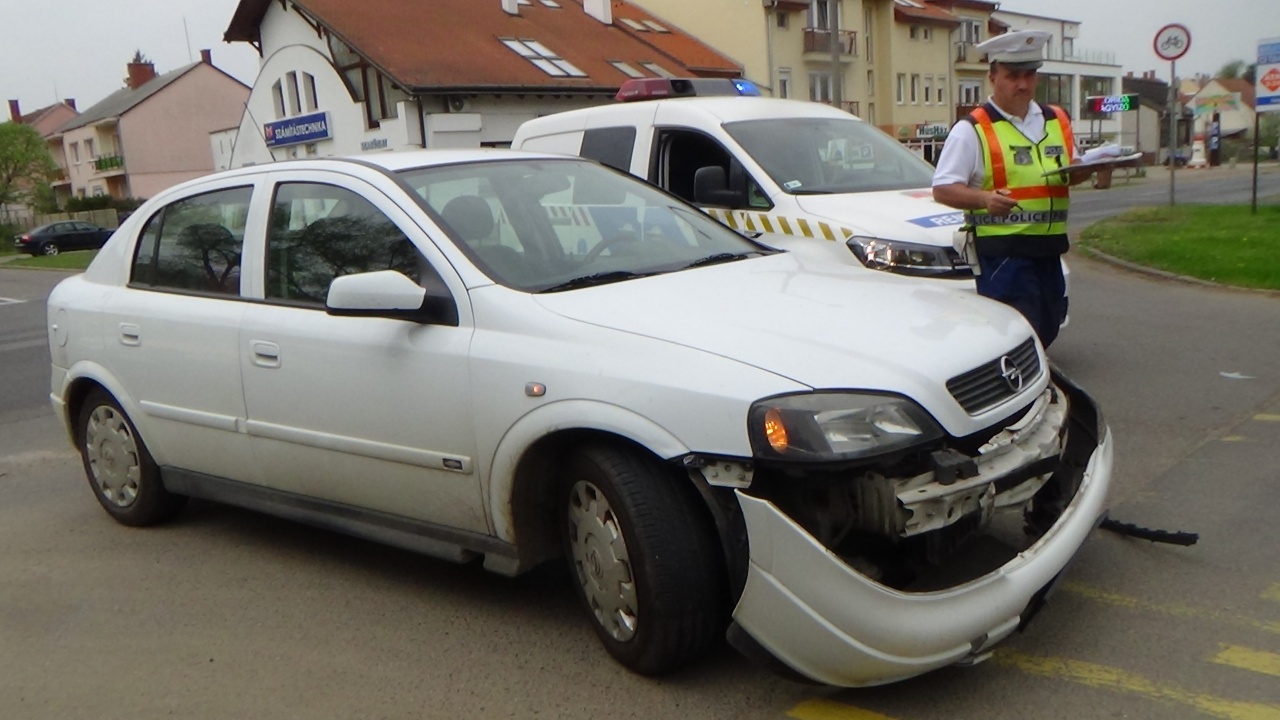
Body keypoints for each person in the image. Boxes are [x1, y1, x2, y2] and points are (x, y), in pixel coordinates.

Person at [932, 29, 1114, 348]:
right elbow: (943, 188)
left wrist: (1094, 169)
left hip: (1048, 250)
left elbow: (1065, 175)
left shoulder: (1056, 119)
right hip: (1005, 256)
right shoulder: (972, 129)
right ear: (993, 77)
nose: (1023, 84)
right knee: (1015, 338)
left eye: (1029, 75)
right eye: (1012, 75)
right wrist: (983, 198)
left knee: (1047, 328)